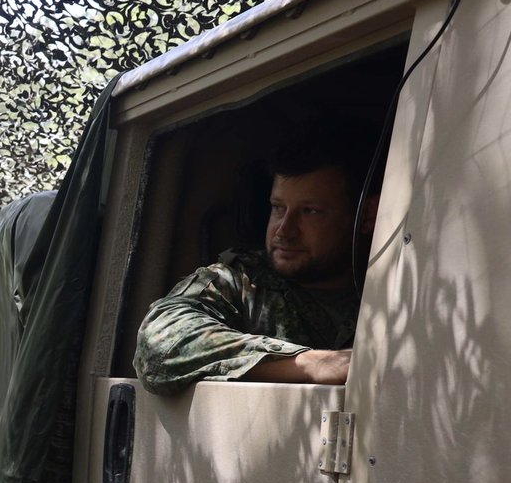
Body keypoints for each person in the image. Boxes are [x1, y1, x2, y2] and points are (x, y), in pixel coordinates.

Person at [134, 118, 380, 393]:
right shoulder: (239, 281)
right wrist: (309, 364)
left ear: (367, 215)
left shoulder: (393, 289)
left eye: (310, 211)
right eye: (277, 208)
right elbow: (158, 345)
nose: (284, 231)